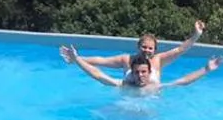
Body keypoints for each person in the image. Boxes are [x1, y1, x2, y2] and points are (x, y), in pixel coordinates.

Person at [66, 20, 205, 84]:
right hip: (129, 97)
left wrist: (196, 35)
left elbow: (180, 50)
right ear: (138, 46)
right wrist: (78, 59)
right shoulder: (126, 60)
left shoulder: (158, 60)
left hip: (151, 98)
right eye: (144, 47)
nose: (147, 50)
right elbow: (101, 61)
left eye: (150, 48)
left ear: (155, 50)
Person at [60, 45, 223, 92]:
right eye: (137, 72)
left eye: (143, 72)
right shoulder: (124, 85)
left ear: (149, 72)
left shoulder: (155, 87)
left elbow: (184, 81)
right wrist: (77, 59)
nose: (140, 75)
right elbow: (97, 74)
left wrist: (206, 69)